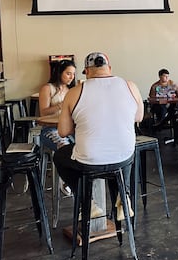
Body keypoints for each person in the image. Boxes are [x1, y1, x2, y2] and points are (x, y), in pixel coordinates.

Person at [53, 52, 144, 203]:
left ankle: (86, 202)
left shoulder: (74, 92)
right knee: (122, 152)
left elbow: (63, 132)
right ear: (109, 68)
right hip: (124, 157)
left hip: (89, 161)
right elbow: (138, 117)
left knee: (60, 156)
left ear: (87, 71)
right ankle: (123, 195)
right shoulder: (130, 86)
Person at [38, 60, 77, 181]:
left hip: (69, 129)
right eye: (68, 73)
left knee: (83, 149)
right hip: (51, 129)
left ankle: (72, 180)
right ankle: (66, 180)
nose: (71, 77)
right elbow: (43, 112)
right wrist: (61, 105)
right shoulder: (47, 88)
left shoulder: (71, 90)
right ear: (60, 73)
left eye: (73, 74)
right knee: (66, 150)